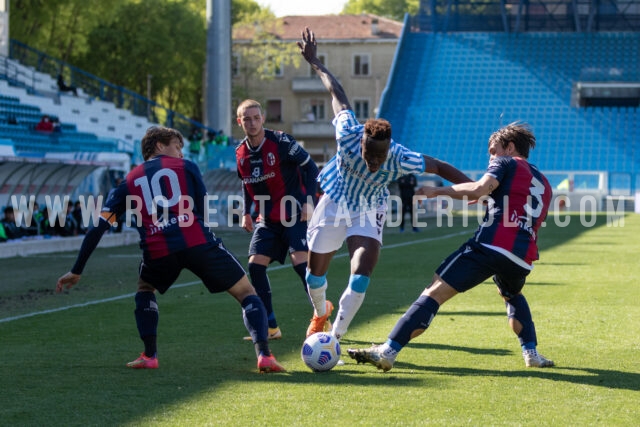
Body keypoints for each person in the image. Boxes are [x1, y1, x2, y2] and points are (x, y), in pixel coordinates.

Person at [56, 126, 285, 373]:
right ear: (159, 145)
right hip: (197, 243)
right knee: (247, 292)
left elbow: (97, 228)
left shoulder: (129, 181)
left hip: (158, 250)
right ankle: (264, 355)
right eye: (177, 146)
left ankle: (150, 355)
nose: (180, 152)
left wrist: (76, 270)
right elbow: (201, 208)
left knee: (145, 289)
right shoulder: (186, 167)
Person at [297, 28, 471, 340]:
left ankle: (334, 337)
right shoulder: (349, 133)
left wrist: (474, 188)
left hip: (369, 207)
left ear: (389, 150)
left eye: (379, 158)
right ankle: (320, 311)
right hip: (334, 201)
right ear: (361, 142)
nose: (373, 162)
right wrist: (316, 63)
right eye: (369, 156)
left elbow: (440, 166)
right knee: (314, 276)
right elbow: (338, 95)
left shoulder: (400, 157)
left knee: (362, 273)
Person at [347, 122, 555, 370]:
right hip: (522, 257)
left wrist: (436, 191)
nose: (490, 157)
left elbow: (479, 188)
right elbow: (515, 208)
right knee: (512, 294)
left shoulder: (505, 163)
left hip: (491, 245)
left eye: (493, 150)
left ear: (510, 148)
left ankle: (388, 351)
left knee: (434, 290)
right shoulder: (543, 183)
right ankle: (531, 353)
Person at [236, 99, 320, 340]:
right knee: (255, 266)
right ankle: (271, 327)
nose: (252, 123)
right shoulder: (240, 153)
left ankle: (321, 319)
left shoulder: (281, 142)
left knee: (302, 266)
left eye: (255, 118)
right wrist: (246, 212)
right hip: (267, 219)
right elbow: (245, 182)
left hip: (294, 213)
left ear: (263, 118)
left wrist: (309, 201)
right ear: (239, 122)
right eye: (246, 119)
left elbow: (311, 167)